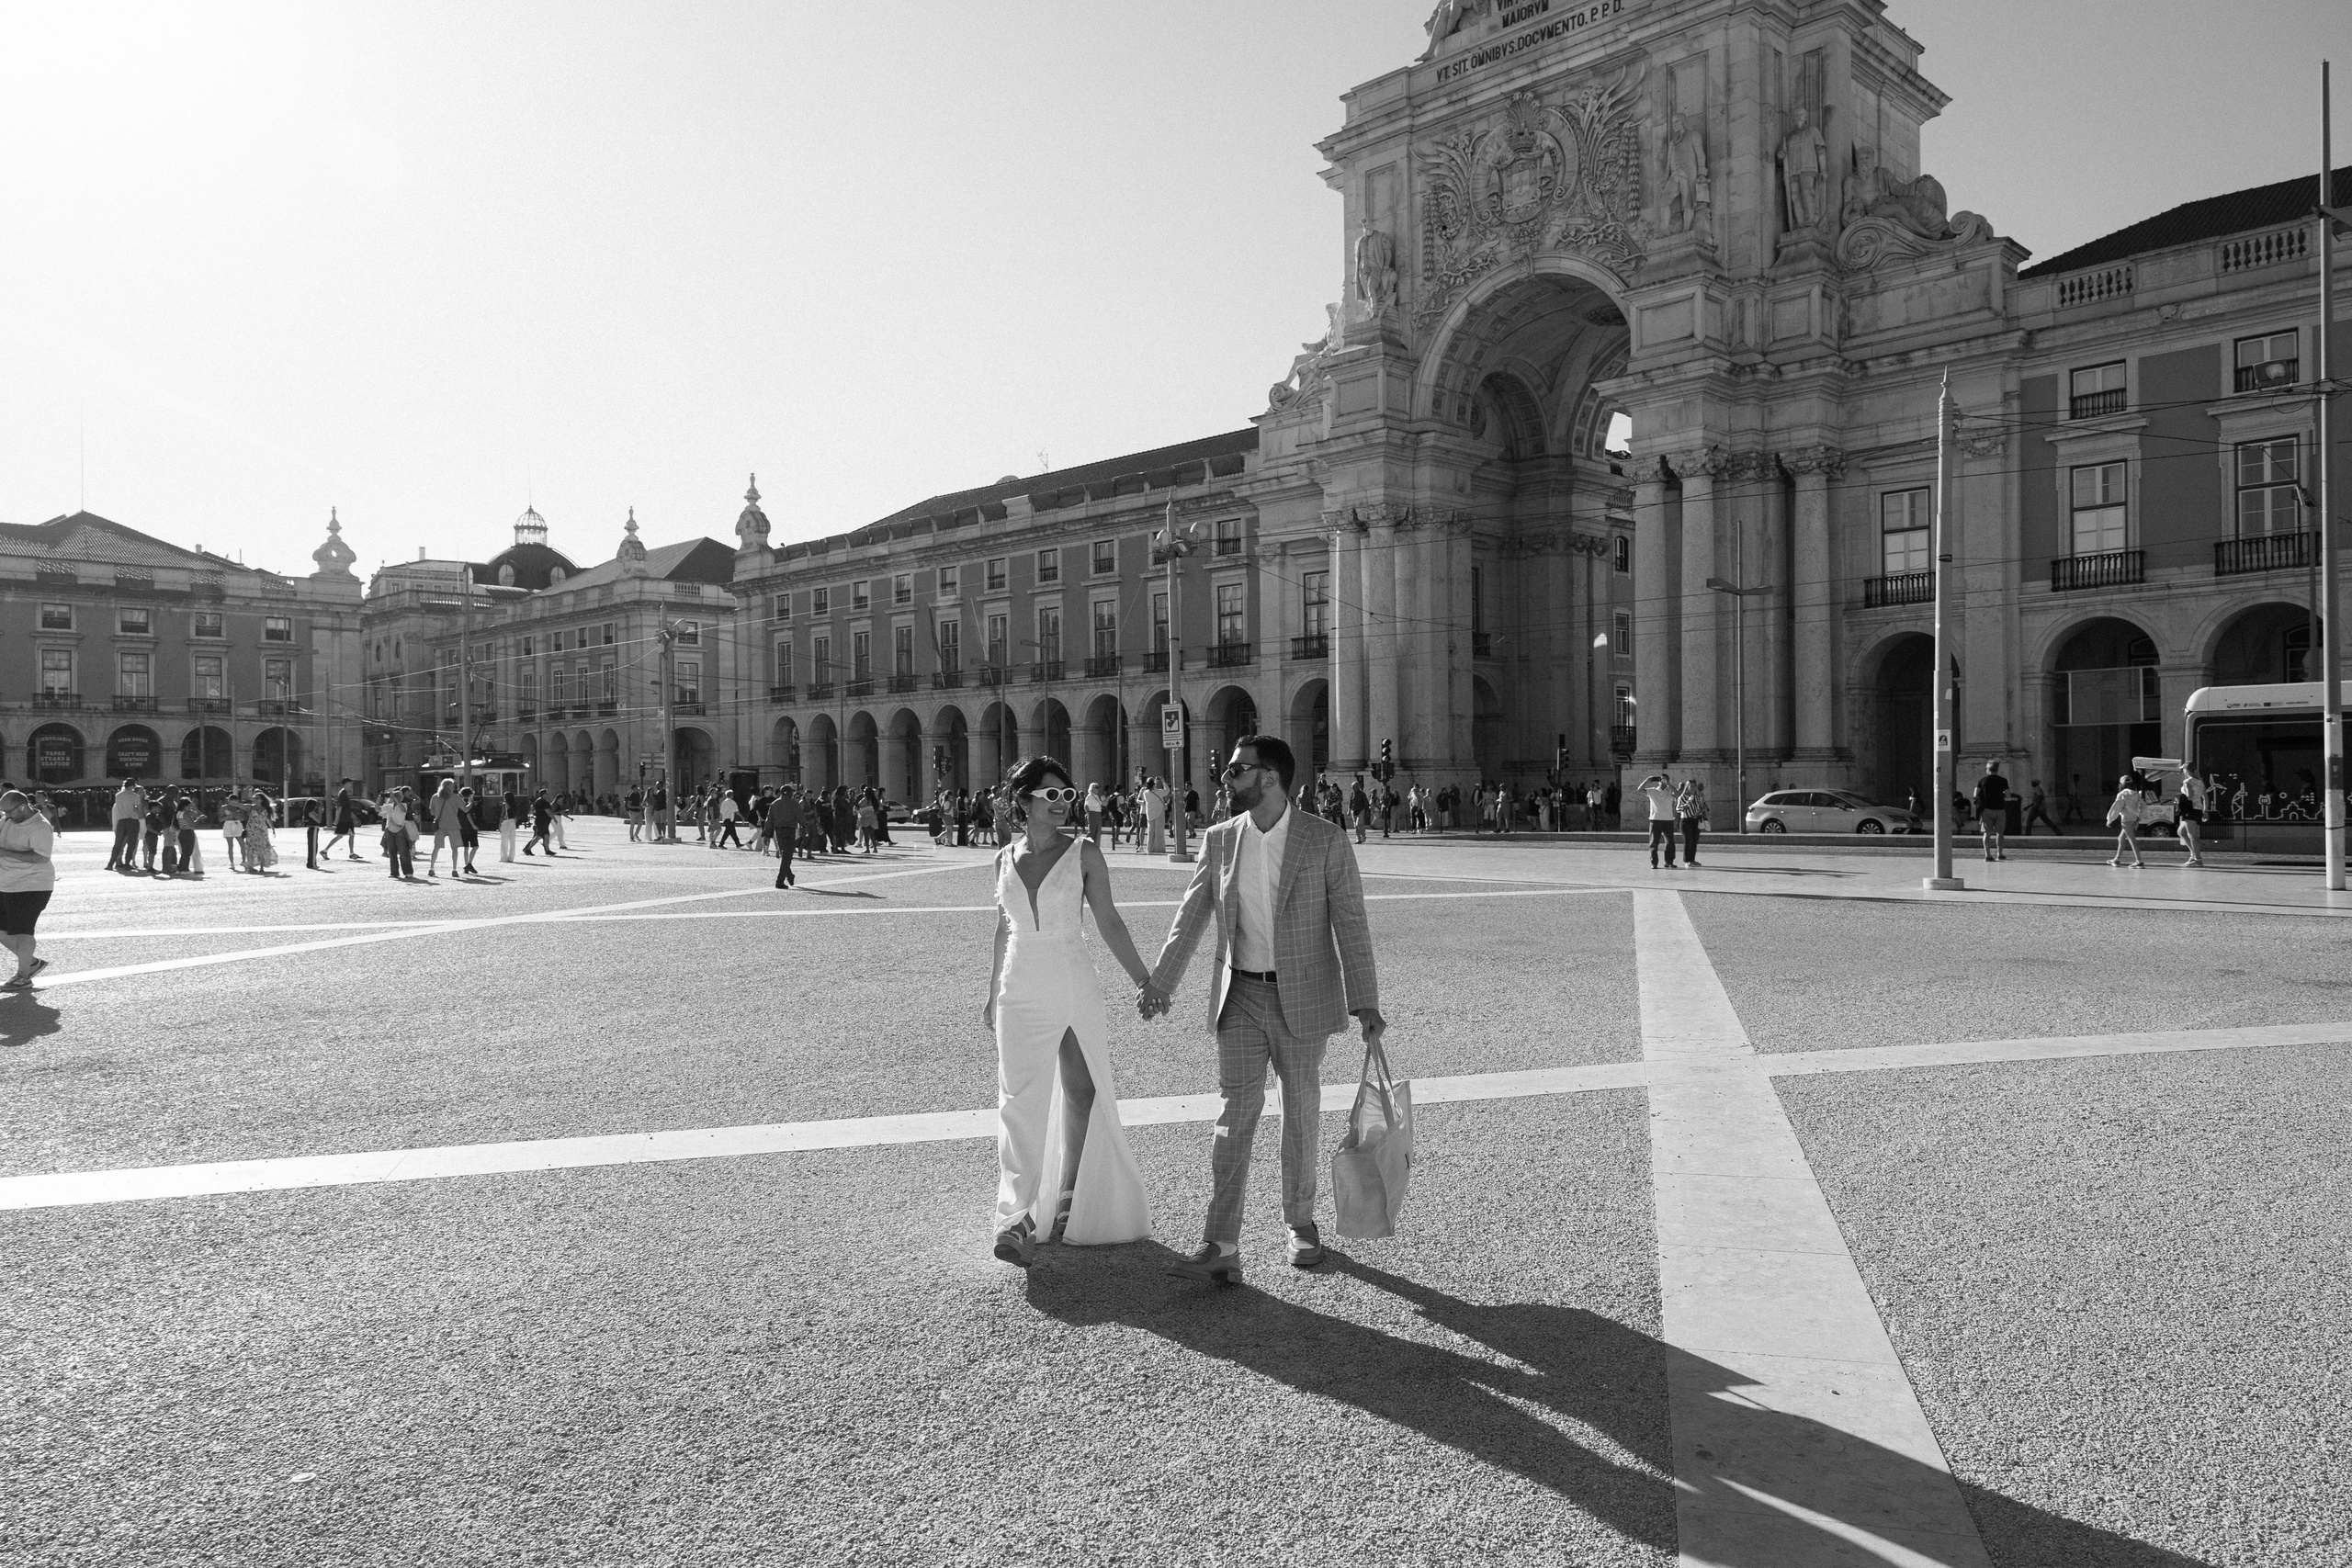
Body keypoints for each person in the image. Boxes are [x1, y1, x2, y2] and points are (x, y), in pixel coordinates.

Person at [1147, 734, 1383, 1283]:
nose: (1224, 779)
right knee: (1235, 1115)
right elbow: (1191, 914)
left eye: (1235, 771)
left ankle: (1301, 1221)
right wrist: (1162, 981)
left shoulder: (1323, 840)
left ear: (1269, 778)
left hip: (1300, 996)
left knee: (1300, 1112)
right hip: (1241, 995)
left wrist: (1365, 1001)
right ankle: (1222, 1241)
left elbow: (1351, 921)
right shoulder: (1221, 838)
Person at [980, 756, 1158, 1266]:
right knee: (1017, 1099)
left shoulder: (1084, 853)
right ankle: (1015, 1217)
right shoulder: (1002, 859)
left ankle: (1070, 1196)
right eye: (1050, 795)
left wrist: (1144, 979)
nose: (1062, 804)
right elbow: (1002, 927)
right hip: (1019, 983)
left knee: (1082, 1090)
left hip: (1073, 978)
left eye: (1067, 795)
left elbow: (1108, 919)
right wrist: (992, 991)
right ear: (1024, 801)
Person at [0, 790, 57, 990]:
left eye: (9, 811)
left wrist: (6, 853)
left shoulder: (40, 827)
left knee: (23, 931)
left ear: (22, 807)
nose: (6, 815)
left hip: (32, 885)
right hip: (6, 883)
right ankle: (31, 962)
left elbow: (42, 857)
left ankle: (23, 976)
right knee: (2, 931)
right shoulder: (8, 820)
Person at [1636, 772, 1678, 869]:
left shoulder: (1669, 791)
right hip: (1655, 820)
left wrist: (1669, 785)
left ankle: (1669, 862)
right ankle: (1654, 863)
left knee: (1670, 842)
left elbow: (1677, 794)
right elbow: (1639, 790)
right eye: (1660, 779)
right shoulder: (1653, 791)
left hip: (1668, 820)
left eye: (1664, 779)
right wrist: (1647, 781)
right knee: (1654, 842)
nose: (1662, 781)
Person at [2105, 773, 2147, 868]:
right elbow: (2144, 807)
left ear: (2121, 784)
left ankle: (2139, 861)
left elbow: (2116, 807)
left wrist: (2110, 819)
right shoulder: (2136, 794)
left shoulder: (2121, 795)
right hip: (2133, 819)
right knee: (2121, 838)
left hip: (2125, 820)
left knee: (2132, 839)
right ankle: (2116, 859)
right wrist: (2138, 820)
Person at [425, 780, 465, 877]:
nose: (454, 787)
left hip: (440, 825)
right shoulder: (455, 797)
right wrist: (471, 802)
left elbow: (432, 813)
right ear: (448, 787)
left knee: (436, 848)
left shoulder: (435, 797)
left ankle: (431, 868)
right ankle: (454, 869)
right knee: (454, 848)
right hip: (453, 825)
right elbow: (465, 809)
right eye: (453, 786)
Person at [106, 779, 145, 873]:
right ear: (132, 786)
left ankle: (110, 864)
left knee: (118, 843)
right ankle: (127, 863)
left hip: (121, 821)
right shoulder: (135, 796)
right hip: (133, 821)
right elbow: (139, 809)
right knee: (131, 843)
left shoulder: (118, 795)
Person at [1974, 760, 2010, 863]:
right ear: (1997, 769)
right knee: (2000, 833)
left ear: (1988, 770)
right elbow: (2008, 795)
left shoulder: (1982, 780)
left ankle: (1988, 855)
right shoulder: (2003, 780)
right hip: (2000, 809)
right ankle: (2000, 854)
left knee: (1987, 833)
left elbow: (1975, 794)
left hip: (1986, 810)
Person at [769, 784, 803, 888]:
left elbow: (769, 818)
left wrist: (768, 830)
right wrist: (805, 827)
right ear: (790, 793)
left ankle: (789, 875)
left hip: (779, 830)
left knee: (785, 854)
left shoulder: (774, 803)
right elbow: (800, 816)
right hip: (789, 830)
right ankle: (780, 880)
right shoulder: (793, 803)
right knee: (787, 855)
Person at [325, 783, 367, 862]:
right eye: (349, 784)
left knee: (349, 835)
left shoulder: (344, 793)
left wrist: (353, 817)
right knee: (343, 835)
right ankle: (326, 850)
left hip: (346, 819)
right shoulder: (343, 794)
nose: (351, 785)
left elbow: (346, 808)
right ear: (345, 784)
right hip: (344, 820)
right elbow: (339, 807)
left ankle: (351, 853)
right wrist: (337, 819)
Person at [2177, 770, 2209, 868]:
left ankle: (2198, 859)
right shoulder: (2200, 782)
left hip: (2190, 809)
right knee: (2181, 832)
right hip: (2198, 809)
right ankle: (2193, 854)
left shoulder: (2187, 782)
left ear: (2187, 771)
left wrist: (2181, 796)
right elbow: (2205, 797)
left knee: (2192, 836)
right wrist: (2205, 811)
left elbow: (2189, 796)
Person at [1677, 778, 1707, 866]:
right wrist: (1688, 802)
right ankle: (1687, 860)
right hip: (1686, 821)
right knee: (1688, 840)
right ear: (1687, 787)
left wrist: (1703, 808)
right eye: (1691, 786)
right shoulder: (1682, 797)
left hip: (1696, 820)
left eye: (1694, 786)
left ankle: (1692, 860)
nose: (1693, 788)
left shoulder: (1698, 797)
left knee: (1694, 840)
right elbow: (1678, 809)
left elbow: (1700, 807)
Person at [220, 791, 246, 873]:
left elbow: (243, 818)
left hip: (237, 824)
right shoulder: (224, 807)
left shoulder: (240, 808)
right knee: (230, 845)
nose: (235, 803)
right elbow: (220, 819)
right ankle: (232, 862)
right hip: (228, 824)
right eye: (232, 801)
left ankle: (244, 860)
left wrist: (236, 816)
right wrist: (228, 816)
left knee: (242, 843)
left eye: (236, 801)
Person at [457, 787, 481, 875]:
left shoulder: (460, 803)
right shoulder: (468, 803)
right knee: (475, 846)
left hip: (462, 827)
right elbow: (468, 814)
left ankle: (466, 864)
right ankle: (469, 864)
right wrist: (474, 825)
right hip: (470, 828)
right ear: (470, 794)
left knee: (466, 847)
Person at [300, 795, 325, 870]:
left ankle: (312, 862)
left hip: (313, 829)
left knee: (313, 847)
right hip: (313, 829)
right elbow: (318, 820)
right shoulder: (310, 813)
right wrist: (320, 812)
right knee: (313, 847)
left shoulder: (310, 812)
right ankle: (312, 863)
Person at [526, 791, 555, 857]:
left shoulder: (537, 801)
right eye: (546, 794)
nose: (547, 795)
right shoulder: (544, 802)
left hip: (541, 821)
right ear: (543, 794)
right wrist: (554, 818)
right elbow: (548, 812)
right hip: (542, 821)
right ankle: (528, 849)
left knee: (546, 835)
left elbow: (532, 808)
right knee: (538, 836)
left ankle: (547, 850)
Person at [499, 788, 523, 863]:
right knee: (512, 841)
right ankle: (511, 857)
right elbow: (516, 816)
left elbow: (502, 815)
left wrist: (499, 824)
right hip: (512, 822)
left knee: (504, 841)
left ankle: (504, 857)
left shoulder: (504, 805)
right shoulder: (514, 805)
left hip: (506, 822)